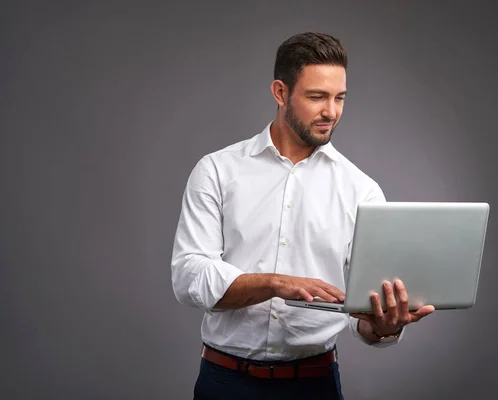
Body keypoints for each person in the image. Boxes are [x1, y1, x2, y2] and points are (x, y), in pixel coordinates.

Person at [170, 31, 435, 400]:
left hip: (315, 386)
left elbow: (365, 313)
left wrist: (384, 326)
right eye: (317, 97)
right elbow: (188, 276)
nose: (331, 111)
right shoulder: (217, 170)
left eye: (339, 97)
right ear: (280, 93)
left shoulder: (362, 189)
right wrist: (276, 283)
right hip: (226, 382)